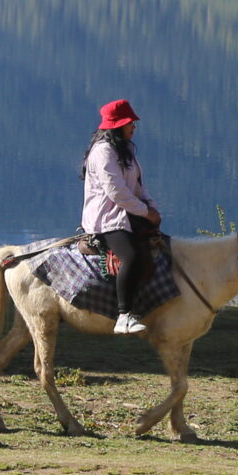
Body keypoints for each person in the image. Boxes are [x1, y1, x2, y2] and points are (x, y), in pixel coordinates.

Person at [81, 98, 161, 334]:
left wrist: (152, 208)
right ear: (117, 126)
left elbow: (138, 186)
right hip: (107, 219)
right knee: (132, 256)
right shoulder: (103, 152)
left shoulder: (124, 150)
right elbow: (116, 192)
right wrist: (146, 212)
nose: (133, 127)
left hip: (127, 212)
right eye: (129, 123)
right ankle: (124, 315)